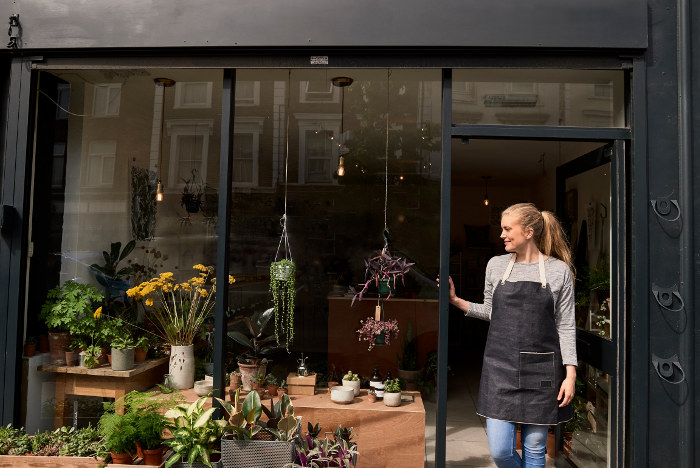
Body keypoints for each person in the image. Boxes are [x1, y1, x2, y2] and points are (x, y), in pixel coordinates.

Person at [440, 202, 576, 468]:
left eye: (506, 229)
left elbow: (566, 325)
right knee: (501, 451)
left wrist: (570, 374)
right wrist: (455, 300)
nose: (501, 235)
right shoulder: (495, 266)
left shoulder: (558, 271)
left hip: (542, 371)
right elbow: (492, 311)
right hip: (500, 369)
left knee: (535, 450)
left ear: (528, 232)